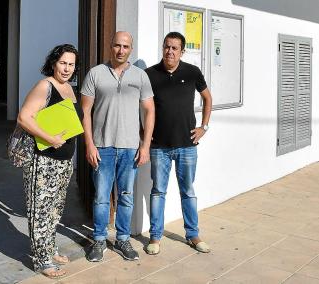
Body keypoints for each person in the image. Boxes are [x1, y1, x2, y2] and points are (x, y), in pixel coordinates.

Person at [81, 31, 155, 262]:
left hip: (130, 148)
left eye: (125, 46)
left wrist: (145, 146)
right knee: (102, 197)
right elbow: (85, 112)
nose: (120, 50)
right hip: (102, 147)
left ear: (130, 49)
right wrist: (89, 145)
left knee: (125, 196)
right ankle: (100, 240)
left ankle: (122, 239)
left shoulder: (140, 76)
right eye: (116, 46)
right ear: (110, 47)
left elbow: (149, 110)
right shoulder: (95, 74)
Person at [17, 44, 83, 279]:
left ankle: (49, 248)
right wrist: (49, 138)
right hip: (42, 159)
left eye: (71, 64)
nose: (67, 68)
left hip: (64, 161)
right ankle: (42, 259)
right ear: (54, 63)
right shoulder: (45, 85)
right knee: (40, 211)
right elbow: (24, 117)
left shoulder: (69, 88)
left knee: (54, 210)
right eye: (63, 63)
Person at [144, 32, 212, 255]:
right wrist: (143, 135)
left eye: (175, 48)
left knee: (188, 192)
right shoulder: (150, 75)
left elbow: (207, 98)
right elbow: (142, 107)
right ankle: (155, 237)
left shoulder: (192, 72)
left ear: (182, 51)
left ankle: (193, 234)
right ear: (162, 48)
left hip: (187, 145)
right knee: (158, 192)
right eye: (167, 47)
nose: (170, 51)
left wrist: (204, 127)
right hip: (159, 147)